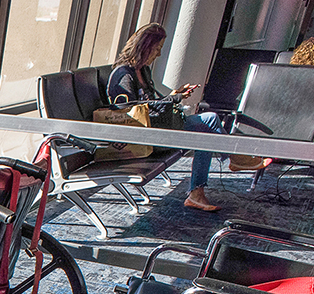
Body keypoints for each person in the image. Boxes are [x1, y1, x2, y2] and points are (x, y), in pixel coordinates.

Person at [108, 23, 269, 212]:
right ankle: (225, 166)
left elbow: (151, 104)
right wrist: (173, 98)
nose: (158, 54)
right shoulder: (123, 75)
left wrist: (175, 96)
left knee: (209, 122)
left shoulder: (143, 70)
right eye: (156, 49)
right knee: (208, 124)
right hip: (144, 138)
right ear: (144, 47)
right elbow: (129, 113)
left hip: (159, 127)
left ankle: (204, 188)